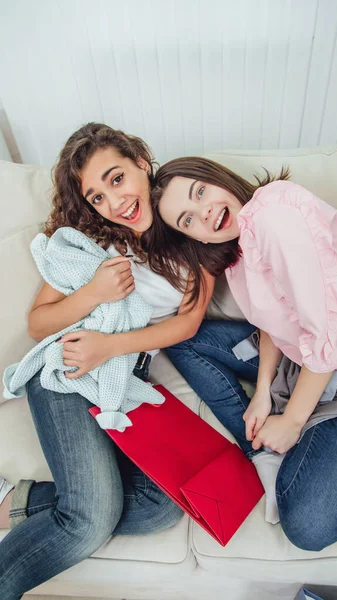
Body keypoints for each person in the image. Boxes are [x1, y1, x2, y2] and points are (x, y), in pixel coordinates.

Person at [0, 124, 231, 599]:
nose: (114, 202)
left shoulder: (190, 227)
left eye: (116, 178)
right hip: (67, 370)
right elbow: (40, 324)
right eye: (97, 196)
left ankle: (12, 500)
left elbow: (186, 324)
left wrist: (111, 349)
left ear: (142, 163)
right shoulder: (93, 241)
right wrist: (93, 292)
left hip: (123, 373)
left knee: (163, 505)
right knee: (87, 522)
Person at [149, 156, 337, 550]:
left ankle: (283, 435)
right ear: (193, 238)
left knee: (307, 527)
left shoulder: (274, 214)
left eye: (200, 192)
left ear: (217, 178)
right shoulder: (236, 250)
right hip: (297, 361)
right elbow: (273, 322)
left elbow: (326, 335)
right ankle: (259, 446)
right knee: (182, 340)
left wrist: (293, 422)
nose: (205, 212)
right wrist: (263, 392)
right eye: (188, 220)